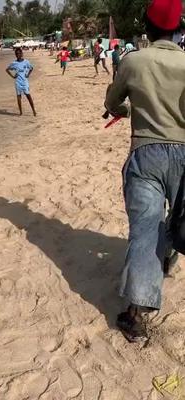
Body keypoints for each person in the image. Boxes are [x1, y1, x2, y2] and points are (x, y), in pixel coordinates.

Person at [105, 0, 184, 343]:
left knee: (144, 228)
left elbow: (113, 101)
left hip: (146, 151)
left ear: (147, 27)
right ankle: (165, 259)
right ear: (178, 26)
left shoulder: (133, 60)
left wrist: (125, 109)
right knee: (178, 218)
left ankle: (136, 314)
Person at [6, 48, 36, 117]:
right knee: (19, 97)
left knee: (28, 95)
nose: (18, 55)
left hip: (25, 81)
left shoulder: (26, 62)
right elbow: (7, 70)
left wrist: (28, 74)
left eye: (19, 53)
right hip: (18, 82)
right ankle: (20, 112)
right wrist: (13, 76)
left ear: (22, 54)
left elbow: (31, 68)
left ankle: (34, 110)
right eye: (16, 54)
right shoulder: (14, 63)